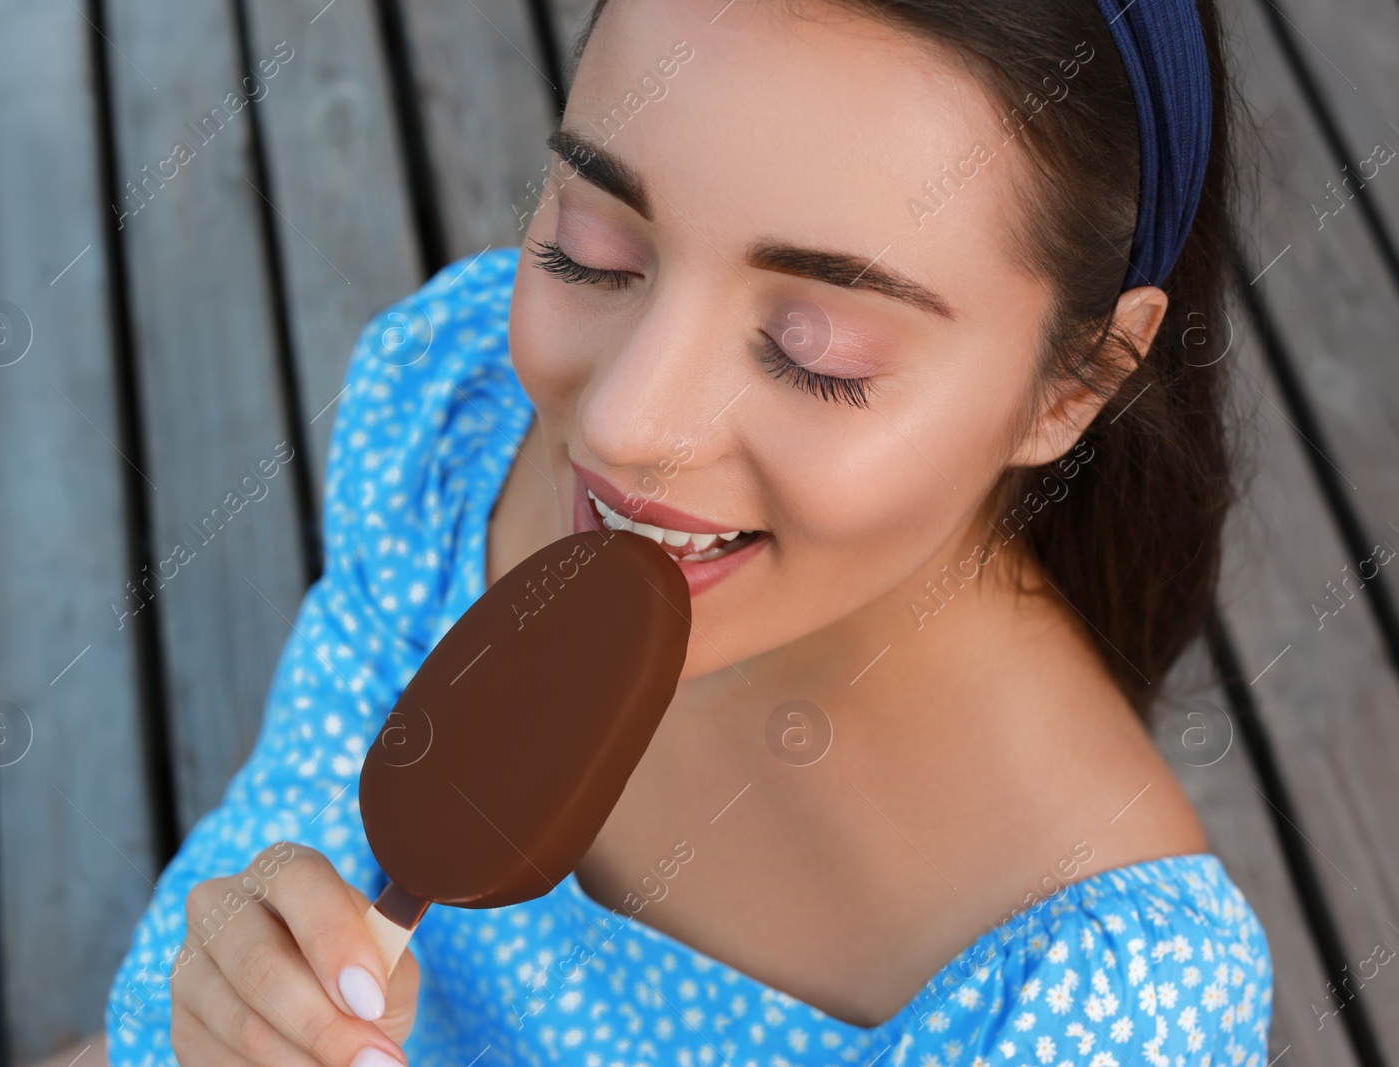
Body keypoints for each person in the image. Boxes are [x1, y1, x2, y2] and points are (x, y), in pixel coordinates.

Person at [104, 0, 1273, 1064]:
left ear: (1076, 379)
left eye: (814, 351)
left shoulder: (1099, 1009)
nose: (622, 422)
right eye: (594, 250)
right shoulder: (457, 433)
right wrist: (238, 994)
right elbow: (258, 866)